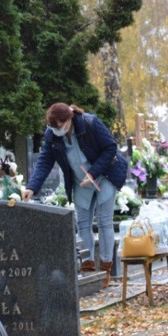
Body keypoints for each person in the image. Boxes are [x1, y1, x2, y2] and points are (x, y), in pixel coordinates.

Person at [22, 103, 127, 288]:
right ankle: (87, 269)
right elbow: (45, 161)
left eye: (59, 126)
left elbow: (110, 147)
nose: (56, 131)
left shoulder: (90, 123)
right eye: (52, 127)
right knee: (82, 224)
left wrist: (93, 173)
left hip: (104, 175)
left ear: (69, 119)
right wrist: (32, 187)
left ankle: (105, 269)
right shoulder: (51, 135)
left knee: (104, 222)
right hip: (81, 181)